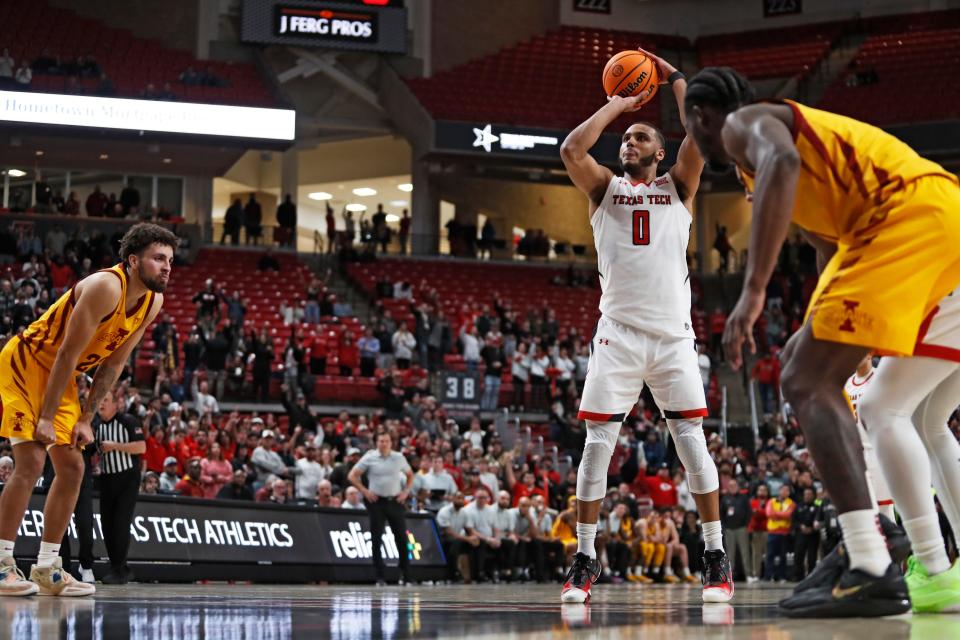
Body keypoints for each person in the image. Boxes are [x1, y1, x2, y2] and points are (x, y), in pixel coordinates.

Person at [684, 65, 960, 616]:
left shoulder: (744, 125)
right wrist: (829, 330)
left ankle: (872, 560)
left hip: (906, 217)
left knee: (809, 379)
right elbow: (825, 245)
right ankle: (890, 551)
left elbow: (783, 162)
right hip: (936, 219)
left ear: (699, 118)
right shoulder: (758, 166)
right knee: (821, 373)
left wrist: (754, 291)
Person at [558, 51, 730, 604]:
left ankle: (713, 555)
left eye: (639, 137)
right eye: (624, 138)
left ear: (659, 151)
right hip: (619, 336)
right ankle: (585, 559)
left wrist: (675, 79)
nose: (627, 143)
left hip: (674, 338)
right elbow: (570, 149)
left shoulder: (678, 187)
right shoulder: (603, 189)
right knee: (595, 447)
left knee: (692, 445)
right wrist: (616, 105)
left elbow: (699, 134)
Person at [0, 223, 176, 597]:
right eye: (158, 258)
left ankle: (47, 567)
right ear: (133, 260)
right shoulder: (105, 287)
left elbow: (113, 365)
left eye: (170, 260)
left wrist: (85, 418)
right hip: (27, 362)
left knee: (73, 466)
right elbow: (65, 352)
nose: (166, 267)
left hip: (62, 377)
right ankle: (1, 564)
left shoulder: (152, 302)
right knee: (31, 462)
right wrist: (46, 418)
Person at [93, 389, 145, 584]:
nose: (101, 404)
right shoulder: (96, 425)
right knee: (107, 525)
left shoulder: (128, 421)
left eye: (105, 400)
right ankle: (118, 567)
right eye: (99, 400)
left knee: (121, 524)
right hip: (106, 478)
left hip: (127, 478)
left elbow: (141, 447)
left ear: (116, 404)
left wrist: (116, 446)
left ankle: (120, 569)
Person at [348, 431, 414, 586]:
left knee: (402, 539)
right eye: (381, 441)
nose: (383, 443)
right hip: (376, 502)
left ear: (391, 443)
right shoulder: (369, 457)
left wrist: (406, 492)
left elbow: (410, 475)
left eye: (386, 441)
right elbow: (352, 475)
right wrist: (364, 491)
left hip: (395, 501)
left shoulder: (399, 457)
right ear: (376, 442)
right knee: (376, 539)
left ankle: (406, 575)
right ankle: (380, 576)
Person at [843, 355, 895, 521]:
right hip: (856, 453)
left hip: (877, 450)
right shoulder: (846, 383)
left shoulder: (882, 377)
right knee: (865, 510)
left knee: (883, 508)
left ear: (870, 353)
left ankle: (894, 546)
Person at [765, 485, 795, 583]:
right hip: (772, 533)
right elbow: (769, 514)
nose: (785, 492)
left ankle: (782, 576)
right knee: (770, 555)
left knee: (783, 556)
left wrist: (776, 514)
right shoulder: (771, 501)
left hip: (784, 533)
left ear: (789, 493)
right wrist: (782, 515)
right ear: (779, 491)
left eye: (787, 490)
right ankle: (769, 576)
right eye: (783, 490)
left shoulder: (791, 503)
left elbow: (789, 514)